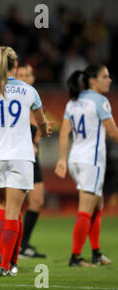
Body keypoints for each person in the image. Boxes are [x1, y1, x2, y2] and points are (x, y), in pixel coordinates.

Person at [0, 46, 51, 276]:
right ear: (15, 66)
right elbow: (40, 123)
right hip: (21, 156)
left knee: (0, 204)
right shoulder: (29, 91)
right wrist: (45, 128)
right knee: (14, 211)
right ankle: (6, 265)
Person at [55, 65, 118, 267]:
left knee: (97, 205)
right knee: (85, 210)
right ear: (92, 81)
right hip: (92, 161)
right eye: (105, 77)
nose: (109, 80)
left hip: (75, 159)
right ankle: (75, 257)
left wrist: (62, 159)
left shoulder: (73, 102)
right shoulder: (100, 102)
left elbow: (64, 132)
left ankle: (97, 254)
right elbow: (113, 133)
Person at [16, 64, 46, 259]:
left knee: (37, 200)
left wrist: (40, 134)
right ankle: (11, 247)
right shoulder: (14, 99)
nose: (25, 78)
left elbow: (40, 126)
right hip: (19, 154)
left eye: (28, 75)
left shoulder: (33, 98)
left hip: (33, 154)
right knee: (12, 203)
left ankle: (23, 244)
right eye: (21, 75)